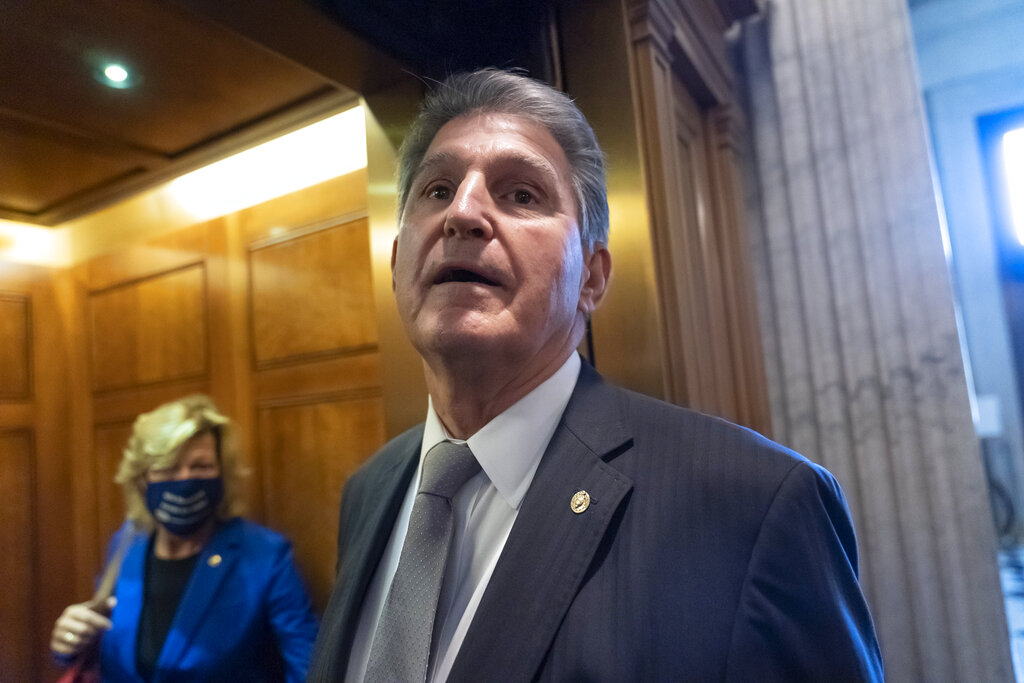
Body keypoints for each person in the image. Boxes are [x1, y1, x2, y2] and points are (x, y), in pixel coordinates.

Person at [309, 69, 883, 682]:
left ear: (592, 276)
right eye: (437, 190)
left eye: (521, 194)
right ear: (398, 261)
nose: (463, 213)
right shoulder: (370, 490)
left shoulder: (754, 506)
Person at [50, 395, 318, 682]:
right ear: (142, 478)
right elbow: (105, 651)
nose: (185, 479)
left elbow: (311, 666)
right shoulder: (127, 543)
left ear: (222, 474)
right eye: (167, 468)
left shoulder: (265, 556)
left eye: (201, 466)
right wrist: (68, 642)